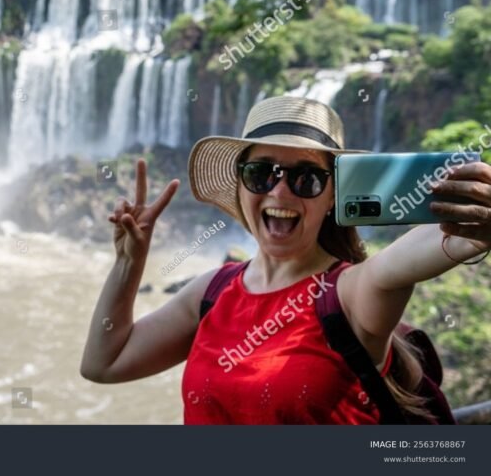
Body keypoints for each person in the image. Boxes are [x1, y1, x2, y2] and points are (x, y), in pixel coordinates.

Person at [80, 95, 491, 424]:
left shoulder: (350, 292)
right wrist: (128, 263)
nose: (280, 192)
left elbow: (409, 258)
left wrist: (469, 231)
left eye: (306, 178)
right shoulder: (212, 291)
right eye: (261, 173)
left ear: (334, 197)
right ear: (241, 186)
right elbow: (104, 363)